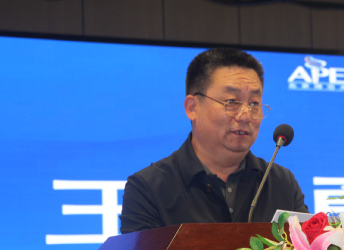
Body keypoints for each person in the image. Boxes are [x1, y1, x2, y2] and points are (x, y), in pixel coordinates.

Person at [119, 48, 309, 233]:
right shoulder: (148, 189)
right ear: (192, 107)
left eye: (254, 104)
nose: (245, 116)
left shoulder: (281, 183)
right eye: (231, 102)